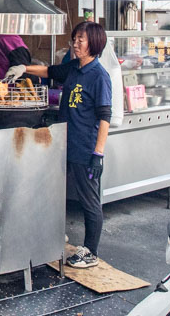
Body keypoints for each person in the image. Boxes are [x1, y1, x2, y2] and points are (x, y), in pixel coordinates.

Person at [25, 21, 112, 269]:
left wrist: (98, 154)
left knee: (89, 201)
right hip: (64, 144)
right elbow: (50, 72)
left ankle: (91, 252)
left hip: (85, 148)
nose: (75, 44)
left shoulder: (99, 76)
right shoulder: (74, 67)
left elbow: (105, 116)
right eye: (74, 39)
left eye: (81, 40)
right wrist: (23, 69)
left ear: (93, 43)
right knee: (54, 192)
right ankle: (53, 235)